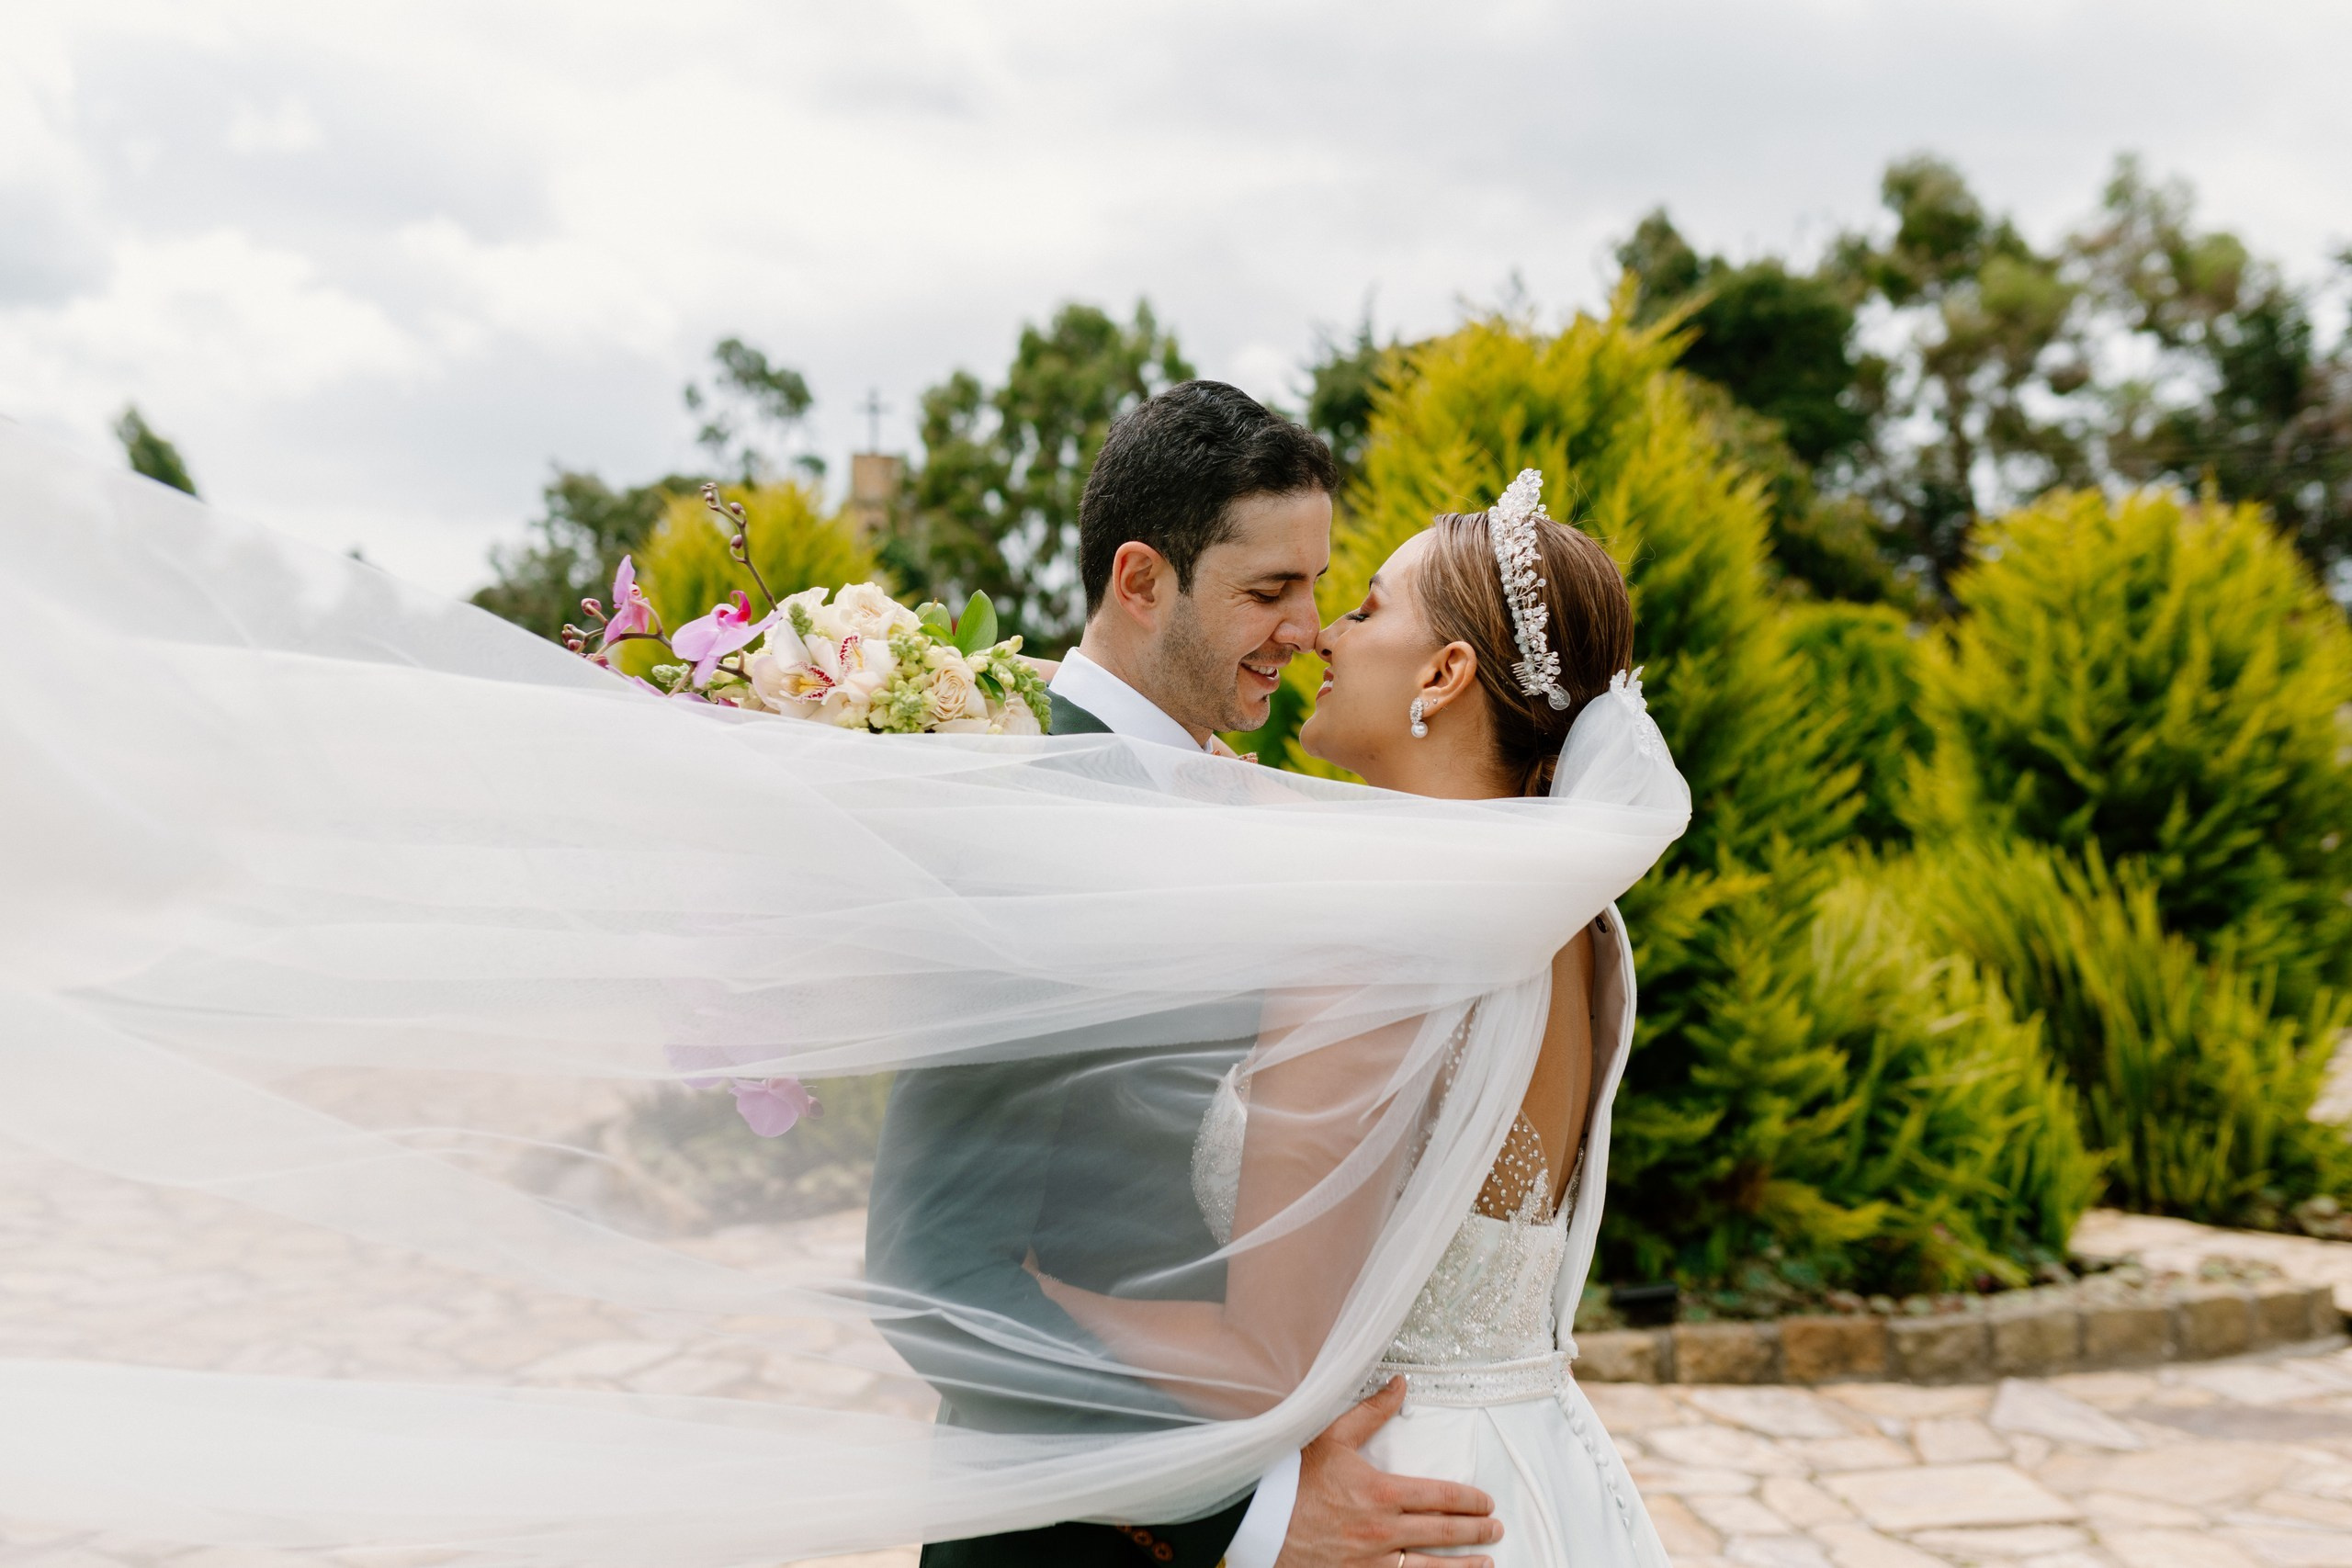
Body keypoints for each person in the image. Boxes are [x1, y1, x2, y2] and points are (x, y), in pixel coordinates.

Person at [870, 380, 1511, 1568]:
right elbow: (930, 1269)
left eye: (1319, 586)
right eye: (1268, 590)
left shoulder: (1246, 806)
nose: (1311, 627)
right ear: (1139, 580)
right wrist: (1245, 1509)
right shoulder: (1030, 821)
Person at [1033, 480, 1679, 1564]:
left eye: (1369, 610)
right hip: (1538, 1471)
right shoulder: (1573, 921)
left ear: (1445, 674)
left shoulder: (1386, 938)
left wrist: (1009, 1303)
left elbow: (1262, 1358)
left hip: (1394, 1498)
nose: (1325, 633)